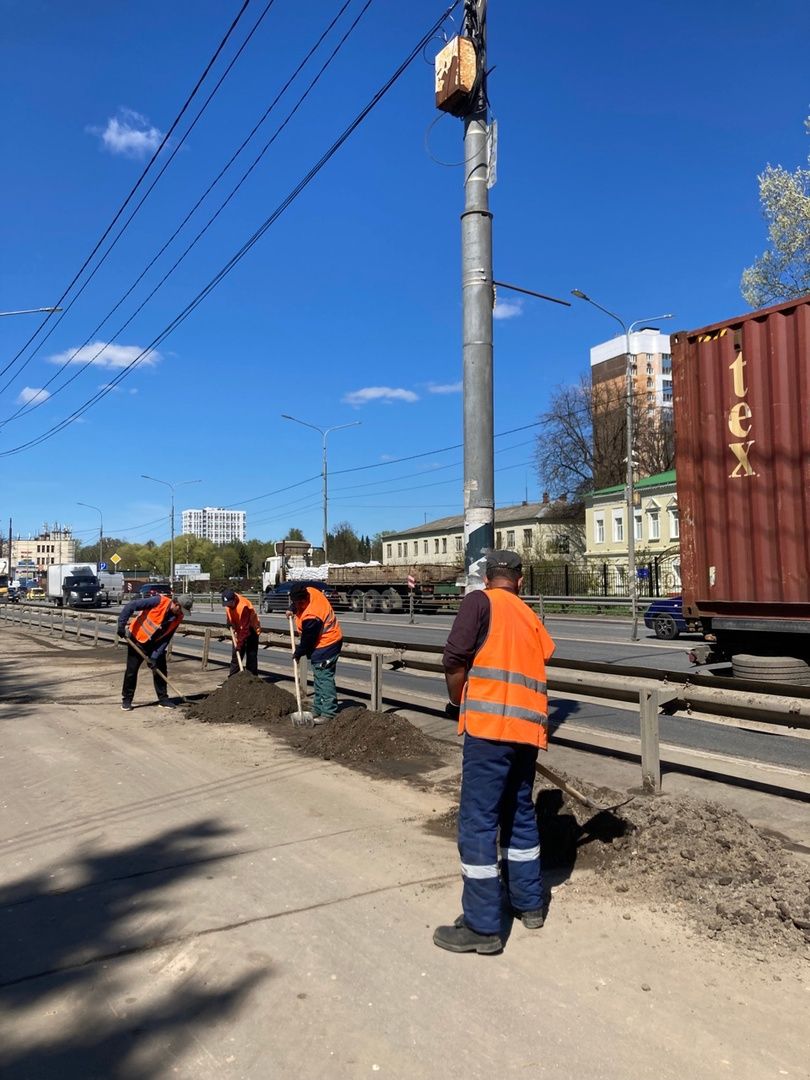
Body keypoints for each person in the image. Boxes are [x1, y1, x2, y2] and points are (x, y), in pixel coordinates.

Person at [433, 550, 556, 955]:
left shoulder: (479, 602)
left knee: (479, 822)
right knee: (519, 813)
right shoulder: (527, 614)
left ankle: (483, 926)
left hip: (489, 731)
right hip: (527, 731)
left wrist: (457, 700)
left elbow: (454, 658)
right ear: (520, 580)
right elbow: (542, 655)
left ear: (488, 578)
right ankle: (529, 904)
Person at [117, 591, 194, 710]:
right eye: (181, 610)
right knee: (131, 671)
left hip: (155, 644)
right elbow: (131, 605)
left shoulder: (178, 617)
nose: (181, 614)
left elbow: (167, 638)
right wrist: (121, 625)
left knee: (160, 670)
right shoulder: (158, 601)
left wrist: (154, 656)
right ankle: (127, 700)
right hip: (138, 639)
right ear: (176, 604)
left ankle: (163, 699)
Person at [288, 583, 343, 724]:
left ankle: (328, 712)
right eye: (295, 602)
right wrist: (292, 610)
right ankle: (318, 708)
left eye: (299, 603)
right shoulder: (311, 591)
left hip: (327, 644)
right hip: (322, 643)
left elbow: (307, 640)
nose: (297, 605)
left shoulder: (313, 615)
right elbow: (297, 604)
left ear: (304, 599)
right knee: (318, 676)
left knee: (324, 677)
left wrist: (298, 653)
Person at [221, 588, 262, 676]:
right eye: (226, 604)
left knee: (251, 657)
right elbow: (229, 614)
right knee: (236, 657)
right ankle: (232, 680)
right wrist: (229, 622)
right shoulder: (228, 604)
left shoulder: (244, 606)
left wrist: (239, 645)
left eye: (229, 604)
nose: (228, 606)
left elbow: (245, 629)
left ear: (234, 599)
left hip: (251, 630)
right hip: (239, 630)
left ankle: (252, 679)